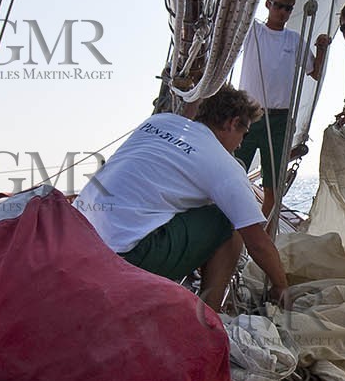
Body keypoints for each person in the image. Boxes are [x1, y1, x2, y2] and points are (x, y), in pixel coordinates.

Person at [75, 85, 290, 310]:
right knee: (228, 222)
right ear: (232, 123)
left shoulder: (157, 122)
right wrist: (280, 286)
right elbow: (257, 242)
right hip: (126, 257)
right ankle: (209, 316)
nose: (240, 144)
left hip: (82, 240)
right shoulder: (225, 166)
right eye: (242, 135)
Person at [235, 0, 330, 220]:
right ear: (268, 4)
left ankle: (262, 237)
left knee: (273, 190)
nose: (283, 12)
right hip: (247, 115)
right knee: (233, 178)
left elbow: (314, 72)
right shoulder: (252, 33)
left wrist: (321, 49)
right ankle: (227, 233)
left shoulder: (294, 40)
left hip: (280, 121)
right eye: (278, 6)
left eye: (288, 8)